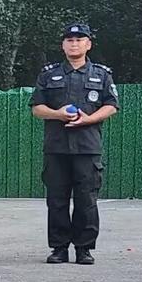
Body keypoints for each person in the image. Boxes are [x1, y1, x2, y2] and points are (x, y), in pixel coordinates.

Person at [30, 23, 120, 264]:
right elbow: (37, 109)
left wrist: (89, 119)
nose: (74, 43)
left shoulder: (101, 74)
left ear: (88, 44)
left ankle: (84, 249)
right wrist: (58, 114)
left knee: (86, 200)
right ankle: (59, 248)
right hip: (56, 147)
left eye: (80, 39)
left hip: (87, 147)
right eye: (69, 39)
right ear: (63, 45)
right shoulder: (48, 74)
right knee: (56, 200)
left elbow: (112, 106)